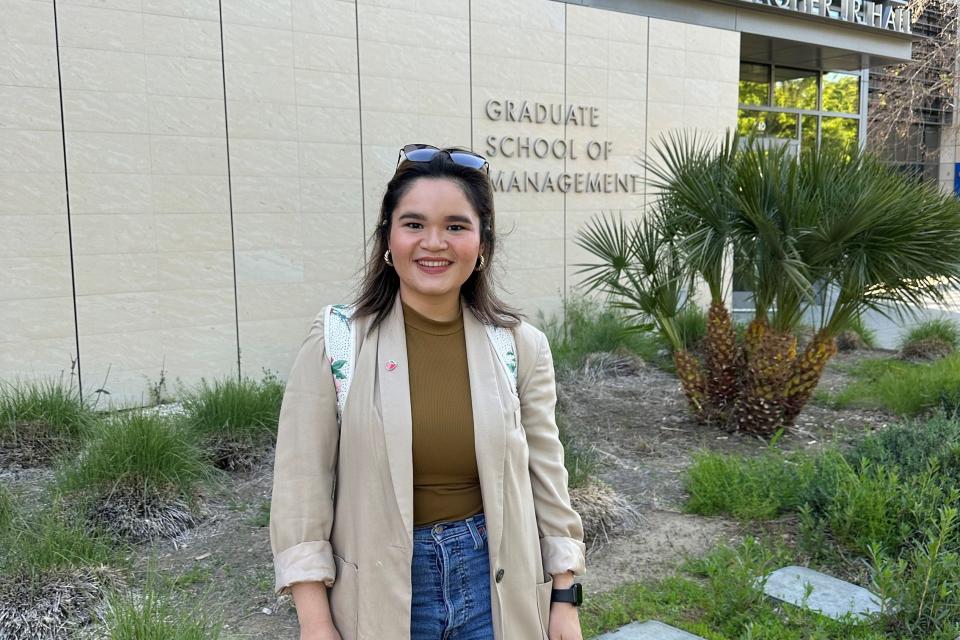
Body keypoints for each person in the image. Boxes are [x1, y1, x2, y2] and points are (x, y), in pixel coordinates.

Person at [270, 144, 586, 640]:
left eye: (456, 226)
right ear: (388, 240)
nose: (433, 242)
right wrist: (315, 620)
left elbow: (548, 477)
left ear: (482, 245)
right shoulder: (337, 340)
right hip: (378, 586)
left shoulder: (520, 345)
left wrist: (565, 596)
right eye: (414, 224)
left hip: (496, 583)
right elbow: (300, 491)